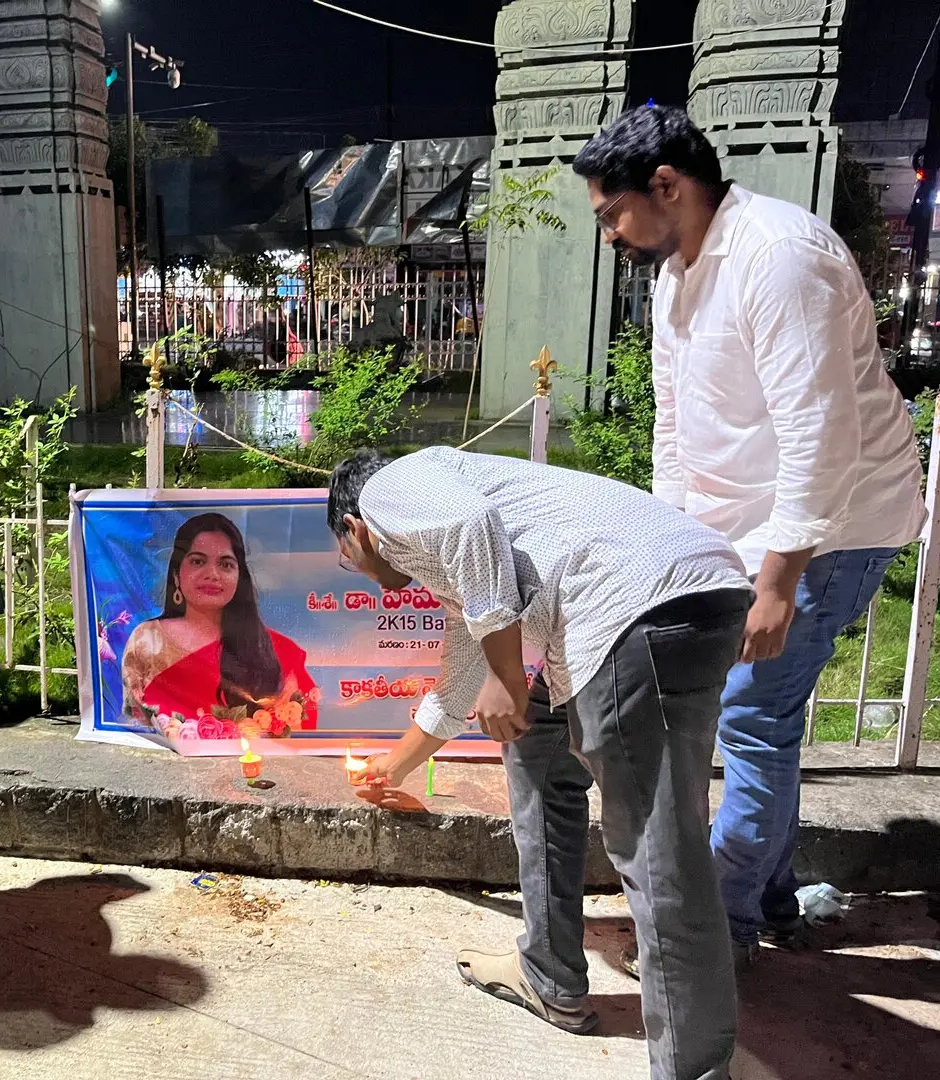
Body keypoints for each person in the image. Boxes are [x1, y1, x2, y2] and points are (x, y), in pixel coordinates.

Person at [574, 106, 926, 969]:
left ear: (667, 185)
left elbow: (819, 434)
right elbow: (676, 427)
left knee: (752, 717)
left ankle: (718, 932)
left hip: (829, 529)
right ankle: (766, 897)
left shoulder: (781, 257)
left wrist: (776, 583)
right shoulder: (676, 276)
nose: (611, 235)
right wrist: (671, 545)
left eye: (613, 213)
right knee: (755, 717)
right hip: (745, 529)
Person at [330, 447, 752, 1080]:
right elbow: (460, 677)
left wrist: (506, 677)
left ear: (353, 528)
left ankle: (694, 1070)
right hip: (673, 598)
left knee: (659, 853)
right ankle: (548, 974)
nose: (354, 569)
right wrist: (393, 768)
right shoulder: (447, 552)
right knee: (538, 748)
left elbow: (471, 528)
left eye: (346, 555)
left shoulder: (387, 491)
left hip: (640, 611)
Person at [122, 512, 317, 740]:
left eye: (225, 564)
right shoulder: (147, 640)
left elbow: (298, 729)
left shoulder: (277, 650)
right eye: (198, 561)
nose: (212, 574)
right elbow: (135, 724)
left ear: (239, 578)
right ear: (176, 575)